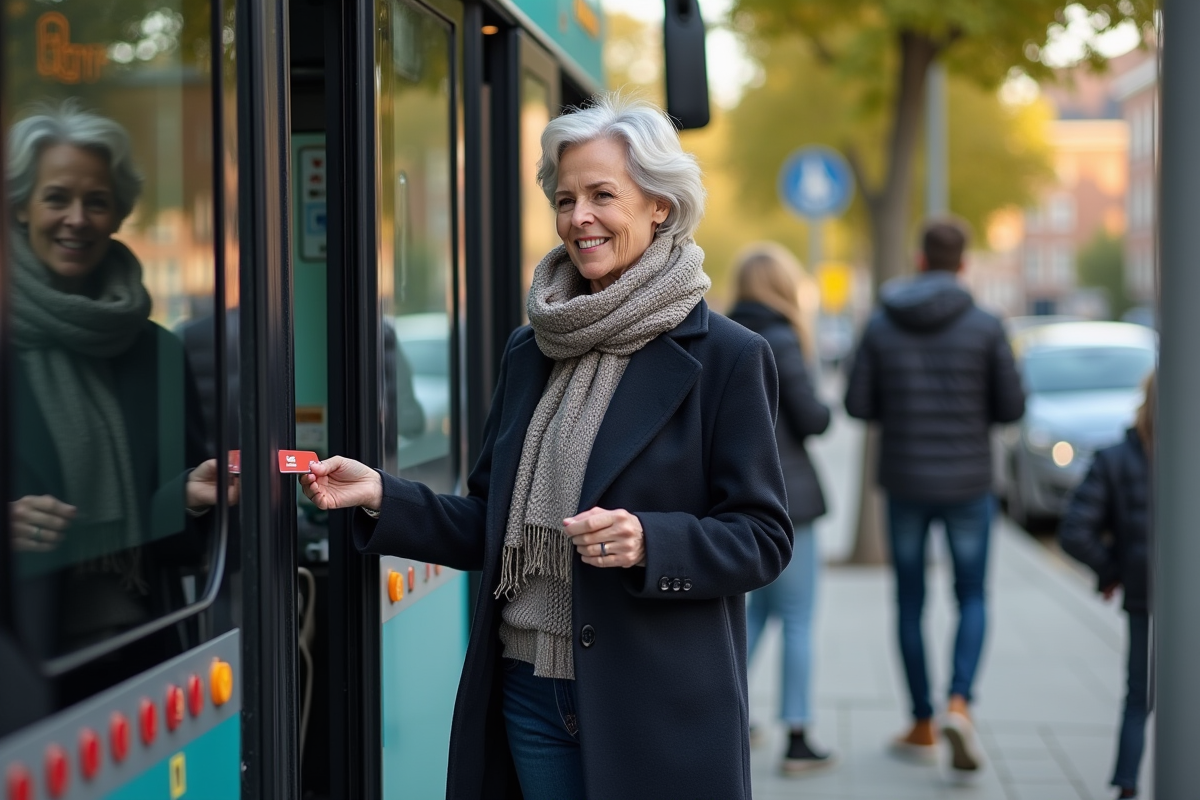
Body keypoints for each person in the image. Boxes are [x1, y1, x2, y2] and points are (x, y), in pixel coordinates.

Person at [301, 94, 792, 799]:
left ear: (659, 203)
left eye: (602, 195)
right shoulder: (531, 349)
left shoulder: (728, 358)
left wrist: (651, 542)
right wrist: (379, 493)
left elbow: (764, 537)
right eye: (566, 199)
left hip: (653, 706)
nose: (579, 218)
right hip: (527, 696)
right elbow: (488, 524)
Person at [6, 100, 231, 660]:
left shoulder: (157, 351)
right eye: (57, 197)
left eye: (97, 201)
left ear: (118, 214)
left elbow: (179, 540)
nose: (77, 218)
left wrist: (188, 499)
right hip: (20, 661)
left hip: (142, 652)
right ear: (21, 209)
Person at [844, 218, 1025, 773]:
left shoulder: (881, 321)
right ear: (963, 264)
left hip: (905, 482)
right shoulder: (987, 325)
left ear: (920, 261)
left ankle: (922, 722)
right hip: (970, 483)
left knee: (910, 601)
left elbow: (856, 404)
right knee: (971, 594)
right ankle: (959, 703)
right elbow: (1012, 408)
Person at [728, 243, 834, 774]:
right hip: (789, 500)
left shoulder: (722, 335)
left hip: (738, 499)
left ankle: (730, 714)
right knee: (796, 617)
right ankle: (798, 737)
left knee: (762, 613)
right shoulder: (781, 337)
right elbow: (811, 417)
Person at [1058, 372, 1154, 800]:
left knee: (1138, 698)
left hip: (1144, 594)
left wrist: (1115, 569)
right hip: (1154, 593)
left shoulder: (1115, 457)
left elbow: (1074, 531)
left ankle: (1127, 786)